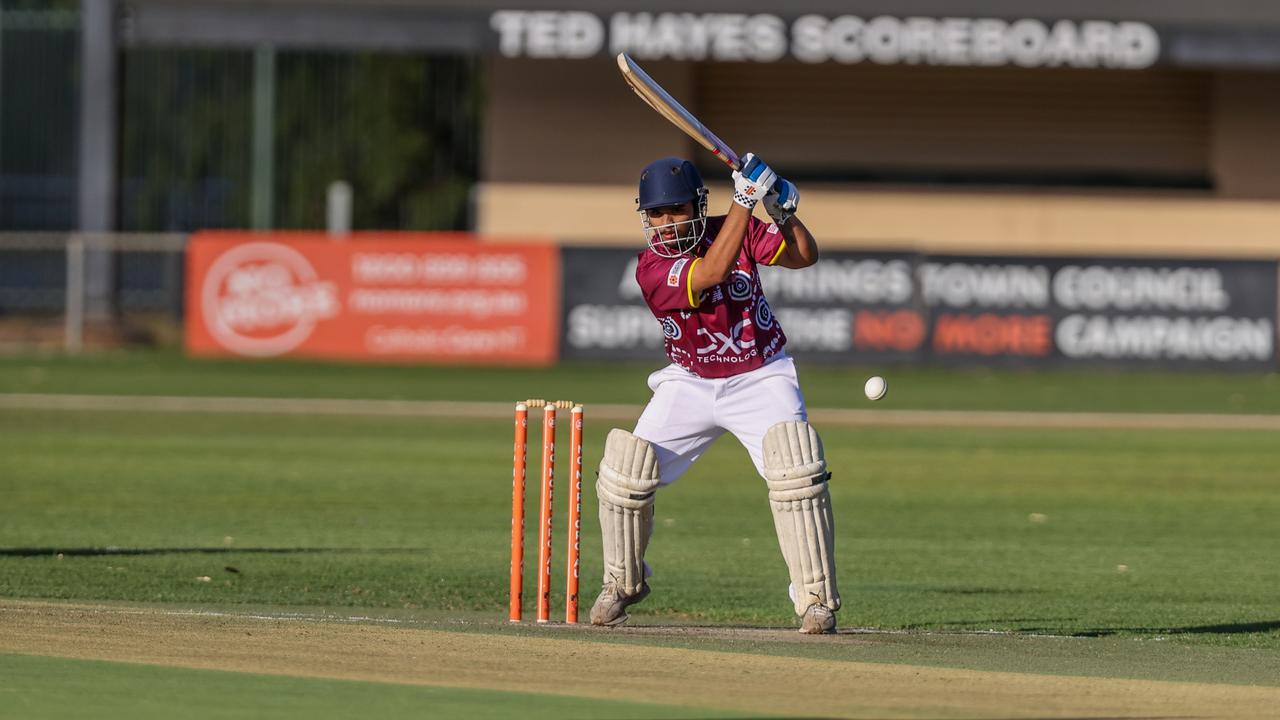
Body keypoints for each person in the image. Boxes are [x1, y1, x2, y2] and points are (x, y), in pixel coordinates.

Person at [589, 153, 841, 634]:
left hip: (762, 373)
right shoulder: (650, 268)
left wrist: (782, 211)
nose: (666, 223)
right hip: (690, 380)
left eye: (676, 211)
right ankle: (623, 582)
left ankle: (814, 599)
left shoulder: (737, 227)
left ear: (698, 207)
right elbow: (710, 274)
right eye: (656, 214)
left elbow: (804, 255)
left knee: (796, 469)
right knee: (625, 470)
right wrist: (748, 199)